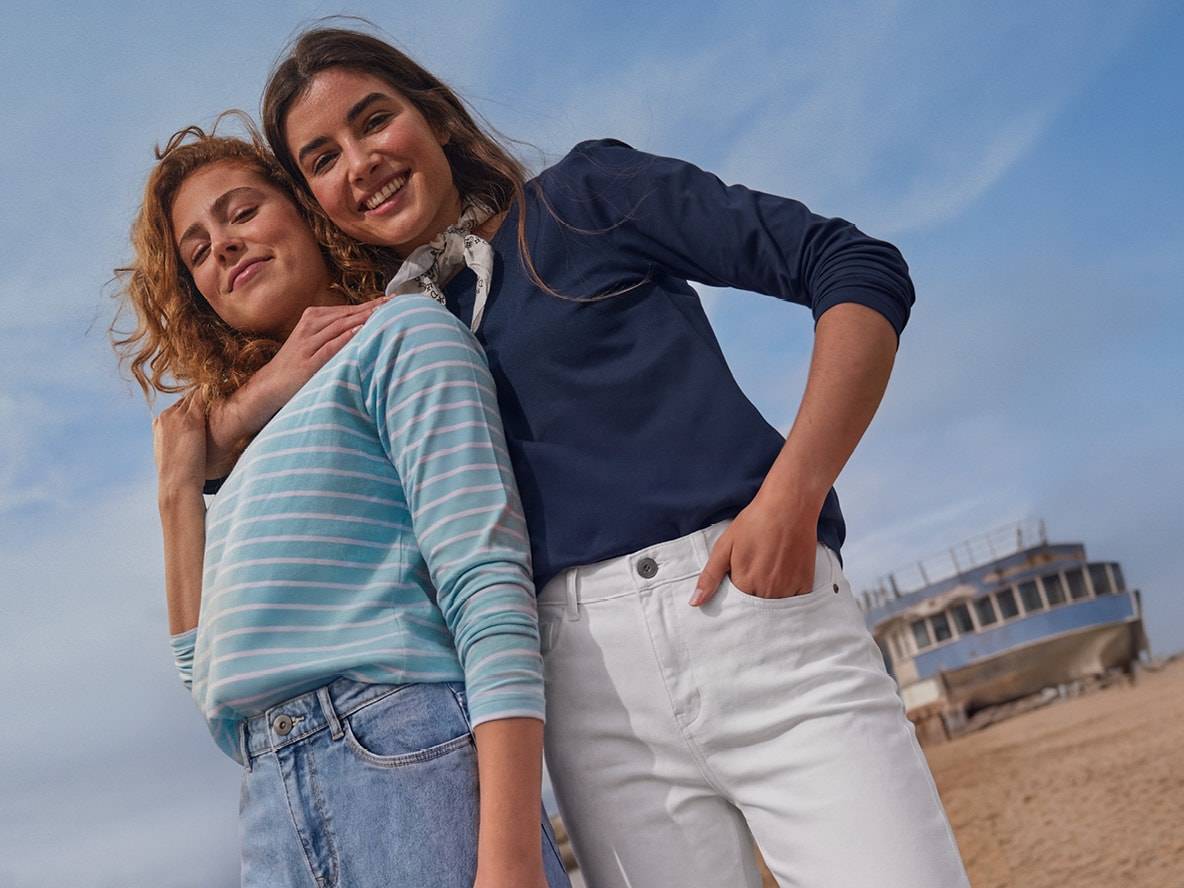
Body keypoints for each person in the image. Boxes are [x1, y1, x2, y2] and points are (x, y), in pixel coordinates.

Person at [207, 26, 971, 887]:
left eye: (374, 120)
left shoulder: (585, 197)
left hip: (753, 620)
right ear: (315, 198)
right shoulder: (390, 340)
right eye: (322, 157)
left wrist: (793, 494)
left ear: (432, 114)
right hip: (580, 694)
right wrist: (243, 407)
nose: (361, 161)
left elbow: (852, 267)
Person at [113, 127, 570, 888]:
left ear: (303, 210)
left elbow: (488, 590)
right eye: (196, 250)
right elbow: (203, 675)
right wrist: (175, 492)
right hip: (269, 799)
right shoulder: (243, 454)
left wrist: (513, 853)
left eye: (241, 213)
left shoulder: (403, 335)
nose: (222, 248)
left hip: (403, 757)